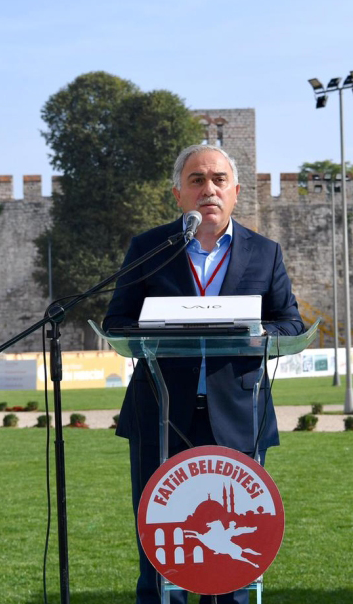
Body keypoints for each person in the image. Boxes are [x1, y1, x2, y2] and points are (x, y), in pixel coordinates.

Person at [103, 143, 303, 604]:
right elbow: (117, 322)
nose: (207, 189)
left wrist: (245, 327)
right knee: (162, 547)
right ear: (178, 194)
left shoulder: (265, 253)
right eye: (196, 180)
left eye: (217, 180)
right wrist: (163, 324)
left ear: (235, 192)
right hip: (160, 415)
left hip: (238, 417)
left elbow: (289, 323)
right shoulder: (148, 248)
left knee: (232, 555)